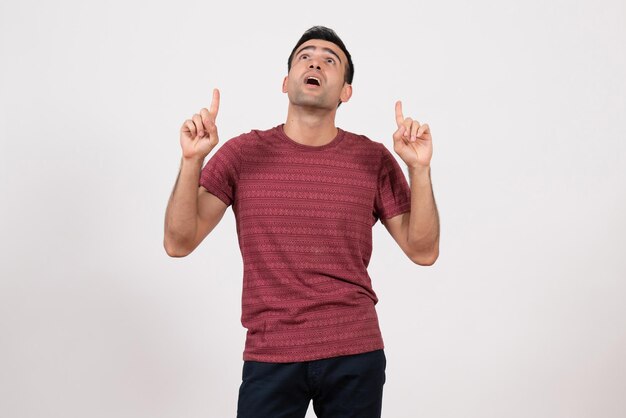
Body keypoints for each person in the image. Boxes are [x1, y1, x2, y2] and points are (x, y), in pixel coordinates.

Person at [164, 26, 440, 418]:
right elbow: (178, 242)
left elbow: (423, 250)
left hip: (354, 351)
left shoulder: (372, 159)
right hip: (271, 352)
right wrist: (192, 160)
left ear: (345, 91)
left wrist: (420, 170)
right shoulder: (243, 154)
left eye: (330, 60)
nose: (315, 62)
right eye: (305, 57)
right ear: (285, 81)